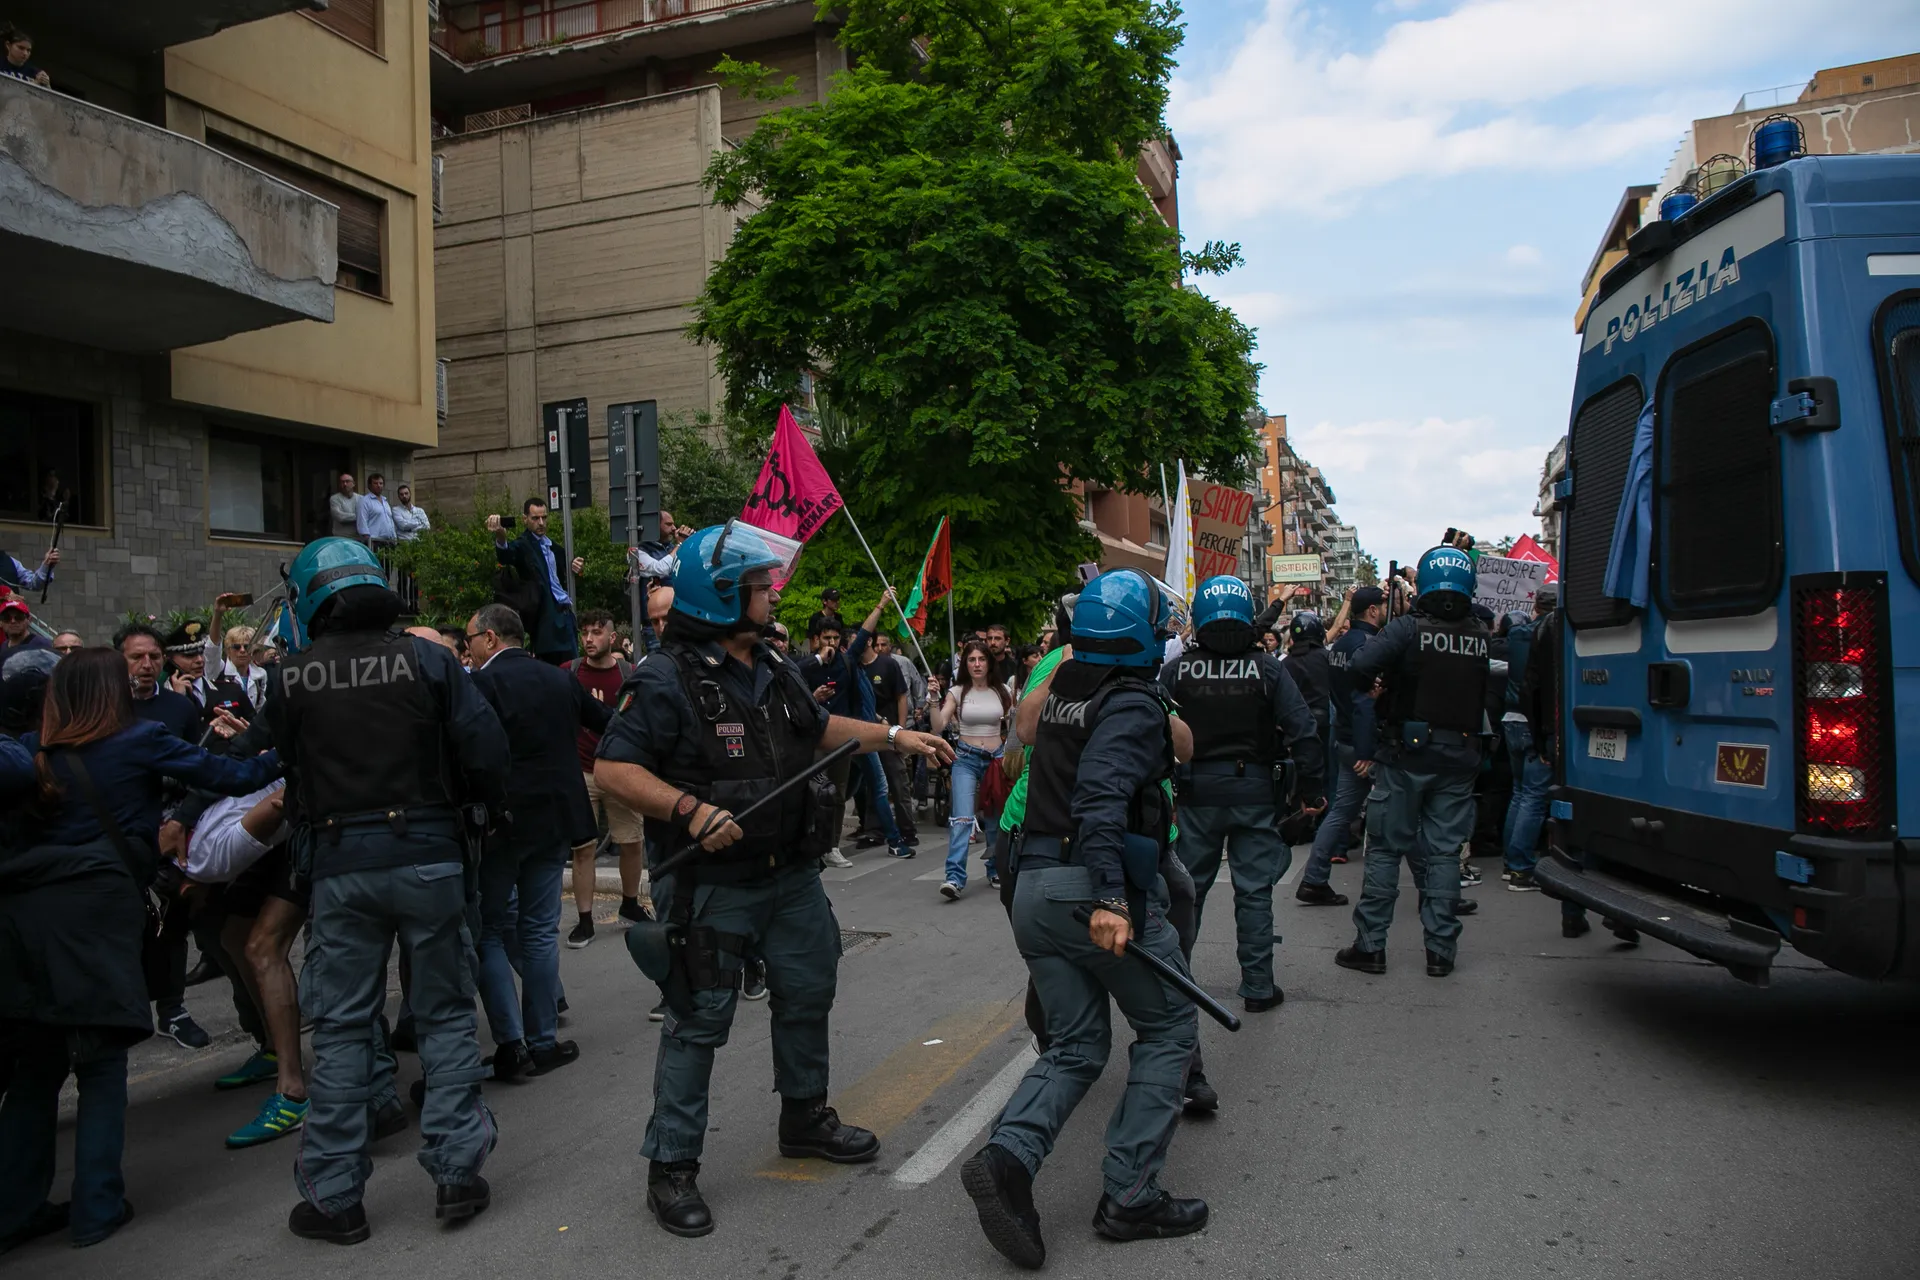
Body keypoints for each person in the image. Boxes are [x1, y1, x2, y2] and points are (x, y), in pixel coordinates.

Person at [592, 521, 954, 1237]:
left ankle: (805, 1116)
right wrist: (690, 810)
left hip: (789, 874)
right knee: (699, 1023)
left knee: (808, 990)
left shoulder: (772, 663)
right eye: (759, 586)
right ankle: (671, 1167)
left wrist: (892, 735)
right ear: (723, 595)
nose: (770, 593)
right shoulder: (664, 678)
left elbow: (816, 728)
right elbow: (612, 769)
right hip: (711, 884)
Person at [263, 538, 510, 1244]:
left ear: (310, 598)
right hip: (432, 856)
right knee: (443, 1018)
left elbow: (285, 762)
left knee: (342, 1030)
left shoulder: (290, 676)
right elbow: (486, 751)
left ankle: (335, 1196)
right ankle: (459, 1172)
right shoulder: (429, 658)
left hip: (340, 866)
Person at [963, 569, 1205, 1267]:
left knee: (1074, 1045)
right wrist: (1111, 899)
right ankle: (1131, 1196)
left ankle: (1007, 1161)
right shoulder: (1130, 703)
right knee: (1169, 1028)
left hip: (1034, 886)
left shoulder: (1064, 690)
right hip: (1084, 887)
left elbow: (1028, 736)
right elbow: (1100, 801)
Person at [0, 649, 279, 1249]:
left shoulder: (35, 755)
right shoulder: (136, 739)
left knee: (35, 1071)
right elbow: (235, 779)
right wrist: (288, 746)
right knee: (101, 1065)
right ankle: (96, 1207)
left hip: (26, 923)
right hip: (96, 916)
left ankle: (15, 1209)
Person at [1161, 574, 1326, 1017]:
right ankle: (1257, 985)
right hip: (1255, 793)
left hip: (1196, 796)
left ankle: (1178, 986)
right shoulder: (1268, 667)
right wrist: (1312, 791)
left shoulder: (1178, 669)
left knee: (1188, 891)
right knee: (1254, 893)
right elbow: (1304, 730)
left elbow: (1151, 725)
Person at [466, 602, 609, 1080]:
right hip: (554, 820)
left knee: (489, 930)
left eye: (469, 641)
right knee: (539, 930)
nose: (468, 650)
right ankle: (543, 1040)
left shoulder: (481, 684)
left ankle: (511, 1044)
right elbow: (606, 720)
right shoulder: (560, 679)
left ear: (489, 638)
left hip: (501, 825)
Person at [1335, 544, 1491, 979]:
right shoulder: (1481, 632)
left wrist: (1382, 684)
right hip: (1460, 756)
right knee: (1443, 853)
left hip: (1406, 755)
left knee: (1385, 849)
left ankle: (1371, 946)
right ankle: (1440, 951)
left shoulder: (1407, 630)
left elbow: (1360, 664)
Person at [1298, 585, 1387, 905]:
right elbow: (1364, 702)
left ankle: (1313, 877)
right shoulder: (1367, 645)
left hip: (1345, 738)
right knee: (1404, 811)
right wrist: (1367, 750)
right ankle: (1434, 888)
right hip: (1365, 742)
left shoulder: (1339, 645)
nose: (1386, 609)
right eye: (1383, 605)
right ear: (1373, 610)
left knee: (1340, 813)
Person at [565, 610, 648, 949]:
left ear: (611, 637)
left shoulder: (627, 674)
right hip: (581, 770)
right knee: (582, 848)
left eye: (597, 632)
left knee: (632, 841)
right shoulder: (568, 673)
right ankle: (585, 920)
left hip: (619, 769)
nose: (589, 639)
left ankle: (630, 904)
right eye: (585, 632)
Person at [931, 639, 1009, 900]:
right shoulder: (957, 691)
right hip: (965, 758)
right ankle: (954, 877)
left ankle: (995, 869)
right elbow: (939, 725)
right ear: (965, 663)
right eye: (971, 660)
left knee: (996, 820)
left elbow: (1014, 723)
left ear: (989, 662)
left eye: (981, 659)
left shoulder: (1003, 691)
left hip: (997, 759)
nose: (977, 664)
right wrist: (933, 700)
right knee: (962, 818)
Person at [488, 499, 584, 665]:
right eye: (535, 518)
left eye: (544, 518)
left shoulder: (554, 547)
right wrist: (501, 536)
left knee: (573, 667)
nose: (541, 523)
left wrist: (575, 566)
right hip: (545, 617)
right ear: (525, 519)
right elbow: (506, 554)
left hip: (566, 615)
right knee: (552, 668)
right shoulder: (524, 545)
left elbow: (565, 573)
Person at [857, 623, 919, 851]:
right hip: (866, 733)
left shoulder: (888, 664)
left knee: (898, 783)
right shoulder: (854, 666)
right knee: (873, 784)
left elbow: (902, 697)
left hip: (890, 732)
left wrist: (900, 731)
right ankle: (875, 831)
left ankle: (907, 831)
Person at [116, 623, 197, 741]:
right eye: (137, 657)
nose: (147, 665)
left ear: (164, 660)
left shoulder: (182, 707)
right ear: (118, 660)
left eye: (154, 657)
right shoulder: (103, 707)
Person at [356, 474, 397, 549]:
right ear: (370, 485)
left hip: (389, 542)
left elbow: (390, 521)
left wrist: (394, 538)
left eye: (381, 483)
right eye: (375, 483)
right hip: (374, 542)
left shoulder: (385, 501)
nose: (378, 485)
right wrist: (369, 542)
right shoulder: (364, 501)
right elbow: (362, 522)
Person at [328, 473, 359, 539]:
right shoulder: (334, 498)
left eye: (347, 481)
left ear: (353, 484)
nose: (344, 484)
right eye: (342, 482)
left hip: (358, 539)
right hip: (341, 538)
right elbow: (339, 516)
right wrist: (359, 516)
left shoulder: (361, 499)